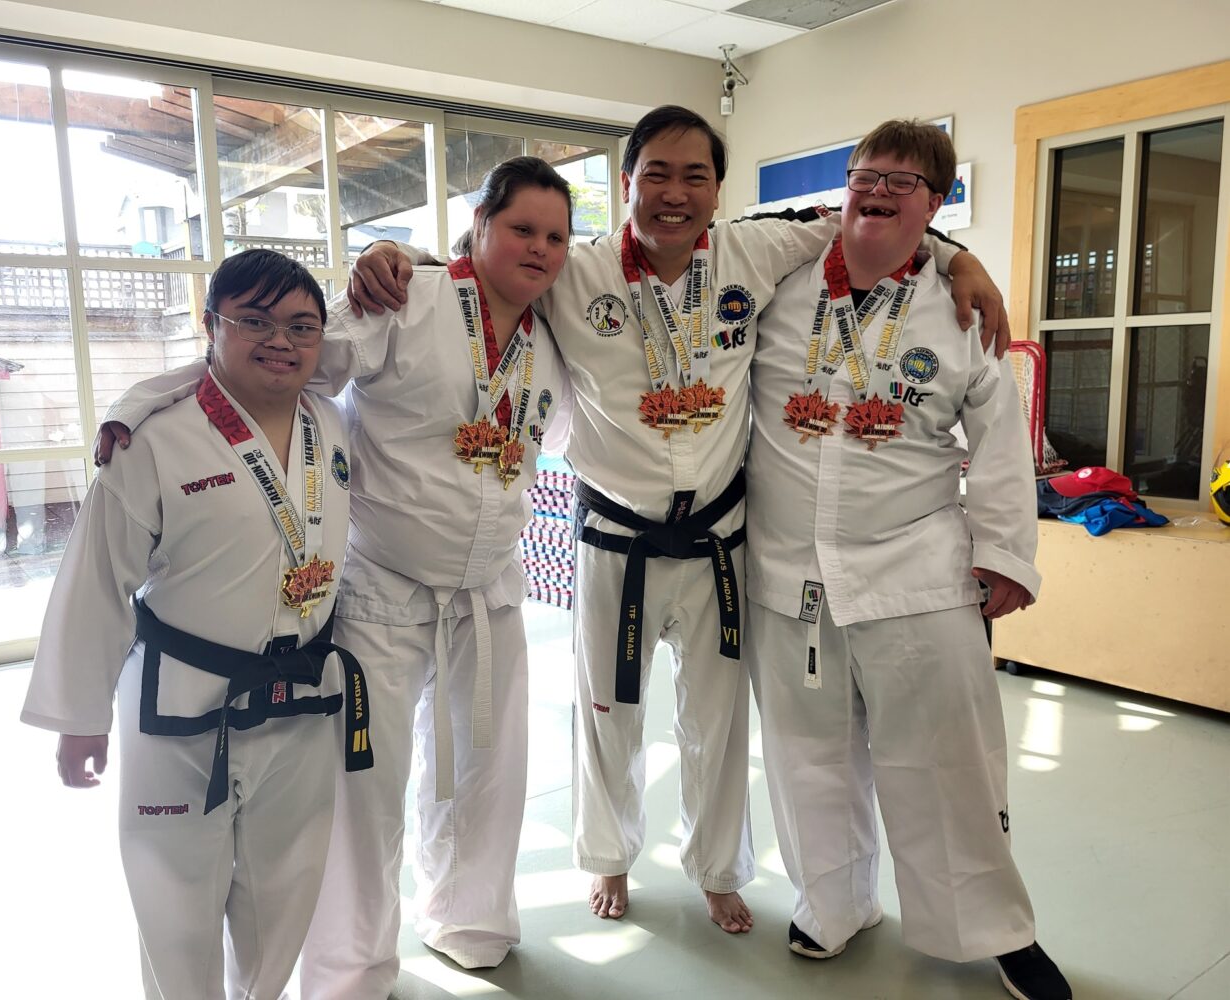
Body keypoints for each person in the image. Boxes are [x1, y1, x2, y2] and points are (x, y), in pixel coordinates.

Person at [345, 104, 1009, 934]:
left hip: (718, 543)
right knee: (604, 716)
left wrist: (959, 256)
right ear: (625, 184)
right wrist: (391, 255)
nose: (673, 192)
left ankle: (717, 869)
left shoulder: (756, 248)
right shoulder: (575, 270)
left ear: (717, 190)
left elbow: (871, 223)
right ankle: (610, 860)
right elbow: (482, 268)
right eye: (654, 173)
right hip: (612, 537)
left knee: (717, 724)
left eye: (694, 175)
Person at [95, 157, 576, 1000]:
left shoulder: (553, 334)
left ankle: (471, 919)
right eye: (521, 229)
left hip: (490, 589)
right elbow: (275, 363)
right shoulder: (408, 299)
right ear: (480, 225)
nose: (539, 249)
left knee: (491, 769)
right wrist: (143, 402)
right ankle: (352, 970)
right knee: (366, 797)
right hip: (382, 590)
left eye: (556, 236)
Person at [744, 119, 1071, 1000]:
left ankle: (995, 929)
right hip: (787, 576)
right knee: (806, 759)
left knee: (946, 765)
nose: (880, 190)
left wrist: (1003, 553)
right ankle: (833, 902)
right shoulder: (777, 278)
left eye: (905, 180)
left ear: (934, 206)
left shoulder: (962, 309)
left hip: (917, 569)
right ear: (843, 186)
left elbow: (999, 441)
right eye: (867, 174)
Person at [21, 249, 372, 999]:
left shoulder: (331, 425)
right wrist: (79, 718)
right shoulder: (152, 440)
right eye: (253, 320)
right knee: (174, 900)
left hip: (300, 697)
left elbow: (370, 320)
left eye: (299, 325)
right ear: (208, 325)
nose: (280, 339)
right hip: (181, 704)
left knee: (287, 889)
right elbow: (95, 584)